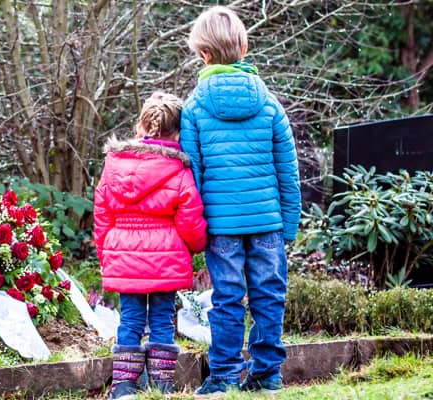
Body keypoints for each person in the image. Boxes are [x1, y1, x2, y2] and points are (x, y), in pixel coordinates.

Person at [179, 5, 302, 396]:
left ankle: (225, 374)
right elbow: (289, 169)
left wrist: (194, 229)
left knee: (227, 297)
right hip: (267, 222)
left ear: (204, 55)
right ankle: (267, 372)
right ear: (245, 48)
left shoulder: (196, 107)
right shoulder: (269, 104)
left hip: (221, 227)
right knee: (269, 295)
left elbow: (190, 175)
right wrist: (291, 221)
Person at [94, 92, 207, 399]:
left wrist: (105, 251)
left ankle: (124, 386)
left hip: (124, 255)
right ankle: (161, 385)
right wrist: (197, 246)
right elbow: (190, 220)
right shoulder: (180, 171)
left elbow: (102, 213)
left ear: (139, 128)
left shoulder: (114, 165)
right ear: (179, 133)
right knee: (161, 319)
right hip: (166, 260)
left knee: (129, 319)